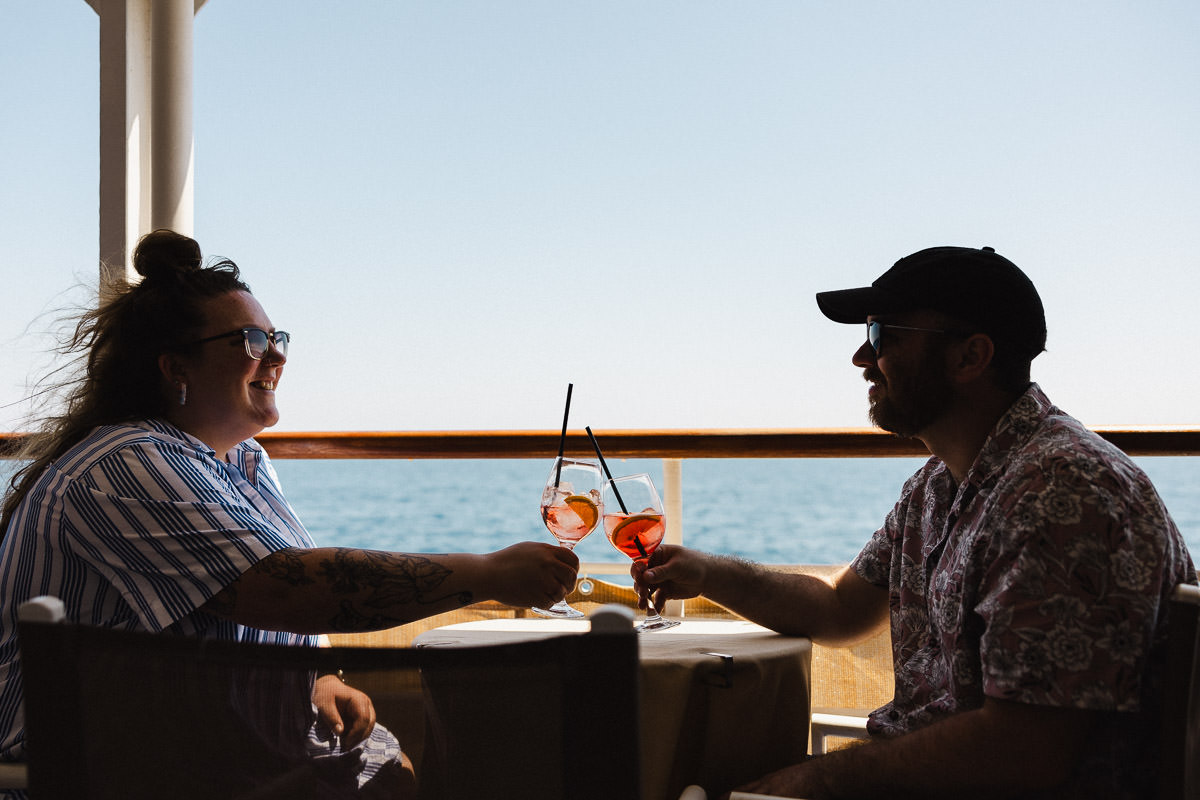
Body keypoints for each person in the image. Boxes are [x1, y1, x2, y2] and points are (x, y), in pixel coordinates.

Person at [0, 229, 579, 797]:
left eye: (275, 337)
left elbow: (257, 596)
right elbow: (285, 589)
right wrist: (487, 574)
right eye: (250, 341)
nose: (276, 355)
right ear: (176, 368)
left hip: (199, 747)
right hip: (112, 766)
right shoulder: (125, 462)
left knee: (389, 769)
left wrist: (318, 676)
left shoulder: (240, 459)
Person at [635, 246, 1197, 799]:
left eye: (883, 335)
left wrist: (820, 779)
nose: (861, 357)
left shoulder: (1061, 492)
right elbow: (839, 608)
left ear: (970, 356)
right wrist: (706, 572)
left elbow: (1027, 748)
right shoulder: (940, 484)